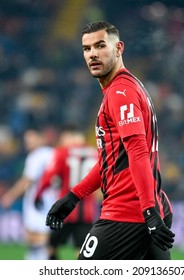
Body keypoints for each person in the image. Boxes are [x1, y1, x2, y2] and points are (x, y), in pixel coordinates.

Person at [45, 21, 175, 260]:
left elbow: (137, 152)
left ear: (119, 48)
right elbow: (112, 160)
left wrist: (148, 211)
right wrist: (74, 196)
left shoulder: (120, 93)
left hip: (128, 213)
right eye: (87, 48)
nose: (93, 54)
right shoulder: (129, 87)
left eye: (100, 45)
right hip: (151, 207)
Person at [34, 124, 99, 260]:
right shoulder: (95, 153)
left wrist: (39, 194)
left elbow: (48, 176)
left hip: (65, 210)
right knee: (81, 250)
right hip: (86, 212)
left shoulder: (63, 152)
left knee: (51, 245)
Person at [0, 127, 58, 260]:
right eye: (26, 141)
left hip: (38, 202)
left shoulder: (36, 156)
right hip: (51, 199)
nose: (28, 143)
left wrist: (9, 196)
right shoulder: (54, 153)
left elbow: (27, 180)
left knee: (35, 237)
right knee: (42, 237)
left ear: (40, 138)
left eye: (31, 139)